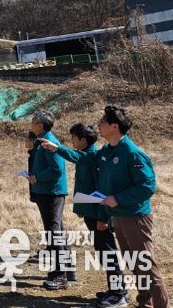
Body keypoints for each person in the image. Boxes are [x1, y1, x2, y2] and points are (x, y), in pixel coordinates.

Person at [42, 106, 169, 308]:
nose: (99, 125)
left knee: (145, 264)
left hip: (135, 217)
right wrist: (57, 149)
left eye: (103, 122)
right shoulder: (106, 151)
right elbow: (84, 158)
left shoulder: (132, 153)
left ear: (114, 126)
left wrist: (117, 198)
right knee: (133, 262)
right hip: (118, 216)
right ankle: (145, 303)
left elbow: (147, 187)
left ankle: (161, 304)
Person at [51, 123, 129, 308]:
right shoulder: (88, 155)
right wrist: (83, 209)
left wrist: (103, 217)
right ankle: (115, 290)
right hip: (92, 213)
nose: (72, 141)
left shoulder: (93, 158)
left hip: (99, 215)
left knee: (108, 253)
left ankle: (119, 294)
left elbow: (102, 190)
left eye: (74, 138)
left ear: (83, 140)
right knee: (104, 252)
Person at [27, 109, 73, 290]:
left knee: (54, 233)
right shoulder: (40, 141)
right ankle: (67, 269)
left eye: (33, 120)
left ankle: (60, 275)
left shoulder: (49, 142)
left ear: (39, 125)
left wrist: (37, 177)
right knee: (57, 231)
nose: (31, 123)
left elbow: (56, 170)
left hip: (51, 193)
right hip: (46, 192)